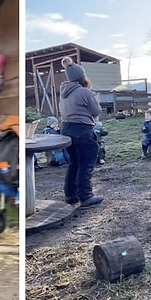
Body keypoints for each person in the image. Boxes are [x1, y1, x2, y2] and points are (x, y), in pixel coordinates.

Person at [59, 56, 104, 207]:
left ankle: (70, 195)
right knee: (86, 163)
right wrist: (95, 98)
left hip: (66, 130)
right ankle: (86, 196)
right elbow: (96, 110)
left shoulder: (63, 92)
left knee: (74, 163)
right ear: (81, 76)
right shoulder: (84, 92)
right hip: (83, 130)